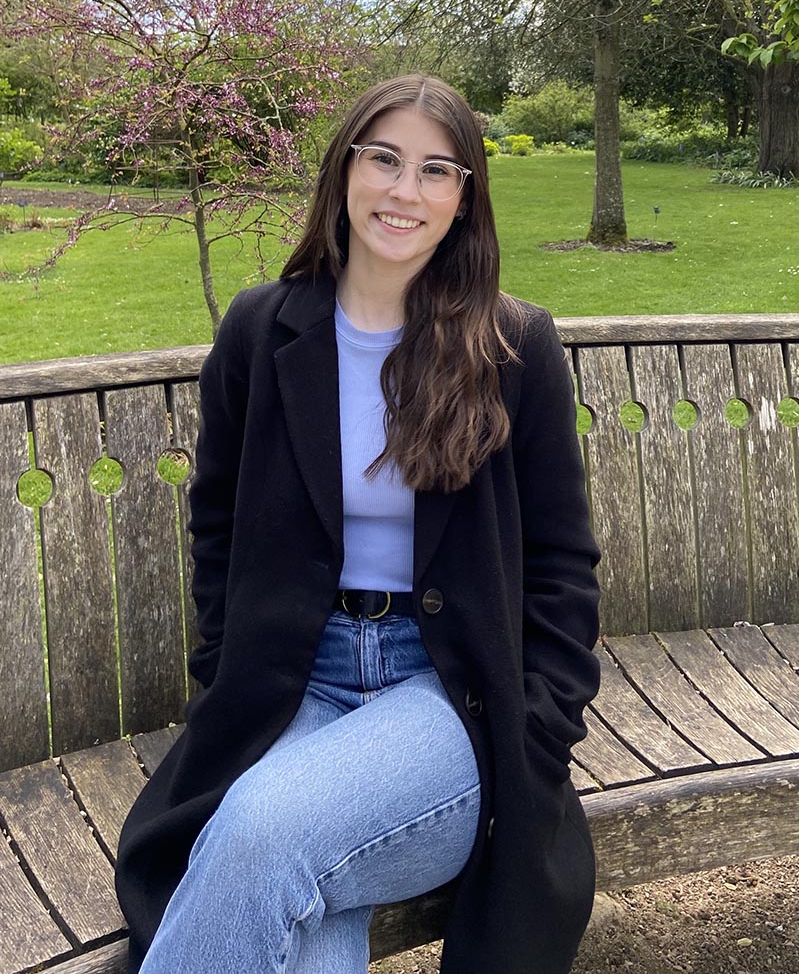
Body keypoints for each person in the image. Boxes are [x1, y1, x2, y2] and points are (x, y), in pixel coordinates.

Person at [115, 73, 601, 974]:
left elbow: (565, 566)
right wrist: (224, 670)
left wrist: (536, 733)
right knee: (297, 901)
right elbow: (215, 525)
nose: (403, 191)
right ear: (345, 169)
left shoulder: (512, 348)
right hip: (297, 684)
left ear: (464, 201)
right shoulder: (262, 331)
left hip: (450, 695)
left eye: (436, 170)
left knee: (260, 828)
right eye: (383, 158)